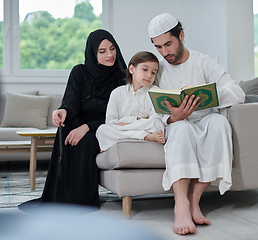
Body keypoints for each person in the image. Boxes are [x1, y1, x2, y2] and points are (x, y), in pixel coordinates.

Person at [148, 13, 245, 235]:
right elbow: (151, 108)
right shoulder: (159, 69)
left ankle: (194, 201)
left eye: (168, 44)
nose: (165, 53)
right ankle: (180, 205)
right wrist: (173, 117)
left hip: (205, 120)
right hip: (178, 125)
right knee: (181, 129)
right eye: (159, 47)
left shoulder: (203, 61)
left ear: (181, 36)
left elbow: (237, 92)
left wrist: (206, 98)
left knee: (219, 123)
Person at [19, 29, 126, 210]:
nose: (110, 55)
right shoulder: (79, 72)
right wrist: (62, 111)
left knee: (88, 141)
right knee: (66, 128)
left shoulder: (122, 77)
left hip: (107, 127)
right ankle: (62, 196)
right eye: (102, 51)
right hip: (81, 123)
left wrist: (87, 127)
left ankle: (82, 202)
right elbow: (71, 102)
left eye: (112, 48)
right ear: (92, 53)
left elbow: (119, 117)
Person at [96, 51, 165, 152]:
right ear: (132, 69)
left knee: (156, 123)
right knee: (102, 129)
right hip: (140, 129)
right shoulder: (117, 92)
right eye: (145, 69)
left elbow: (156, 118)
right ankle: (145, 136)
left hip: (128, 128)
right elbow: (110, 122)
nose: (149, 75)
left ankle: (120, 139)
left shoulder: (155, 92)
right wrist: (138, 120)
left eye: (153, 72)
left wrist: (123, 124)